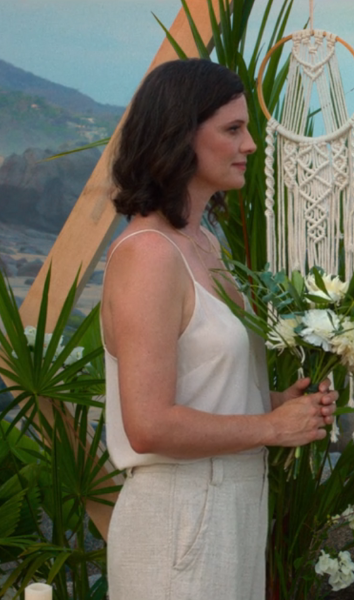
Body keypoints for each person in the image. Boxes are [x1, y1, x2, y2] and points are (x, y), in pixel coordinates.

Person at [102, 58, 336, 600]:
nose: (250, 144)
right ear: (178, 136)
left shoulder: (208, 244)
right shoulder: (149, 257)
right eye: (232, 129)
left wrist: (277, 403)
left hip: (232, 505)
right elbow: (149, 426)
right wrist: (273, 429)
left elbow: (202, 386)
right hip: (177, 517)